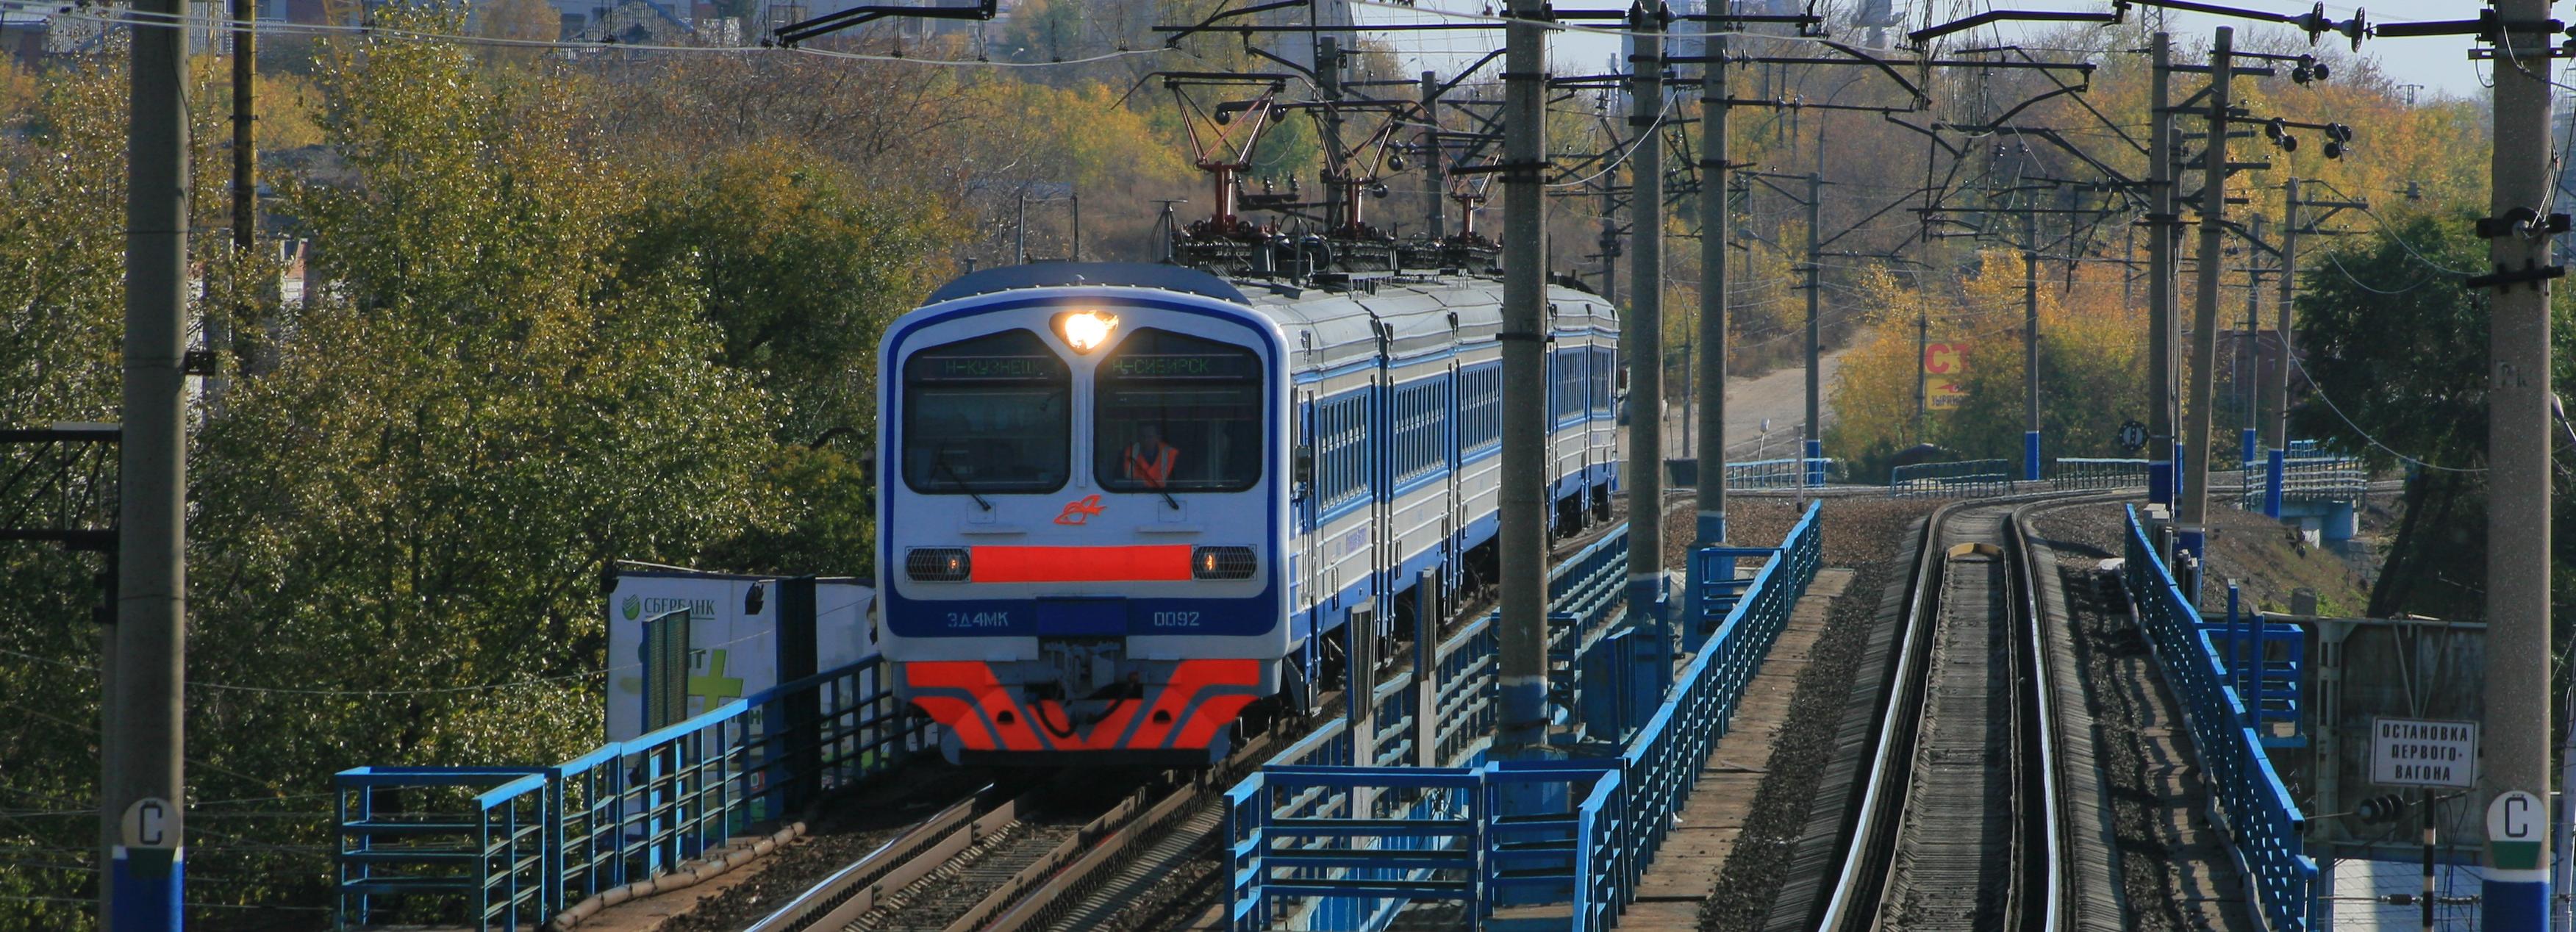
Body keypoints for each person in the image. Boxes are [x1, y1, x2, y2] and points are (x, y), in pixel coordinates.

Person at [1123, 423, 1179, 489]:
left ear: (1157, 438)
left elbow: (1178, 483)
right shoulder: (1128, 453)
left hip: (1163, 495)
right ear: (1139, 438)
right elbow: (1118, 481)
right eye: (1143, 437)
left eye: (1150, 437)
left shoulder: (1170, 454)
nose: (1146, 440)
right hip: (1133, 495)